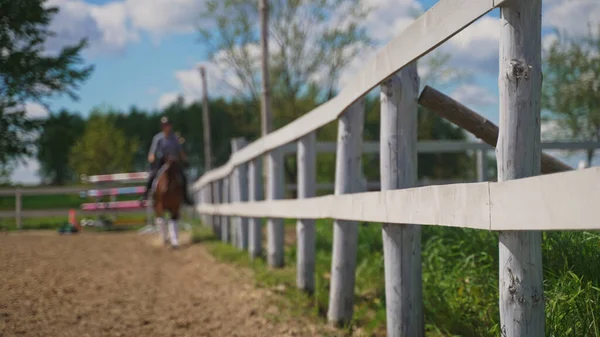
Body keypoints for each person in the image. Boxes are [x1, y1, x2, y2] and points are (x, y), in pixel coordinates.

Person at [141, 116, 194, 205]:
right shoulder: (158, 138)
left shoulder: (175, 138)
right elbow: (152, 151)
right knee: (152, 175)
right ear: (162, 126)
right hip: (162, 162)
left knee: (183, 177)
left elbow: (180, 151)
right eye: (164, 125)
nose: (166, 127)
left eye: (168, 125)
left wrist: (185, 159)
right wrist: (152, 158)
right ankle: (146, 195)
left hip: (173, 162)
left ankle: (185, 197)